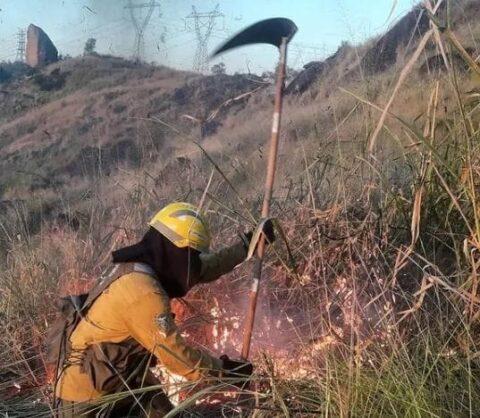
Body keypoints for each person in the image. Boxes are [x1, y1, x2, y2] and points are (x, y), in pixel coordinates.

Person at [52, 202, 274, 417]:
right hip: (88, 398)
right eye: (192, 254)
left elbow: (204, 268)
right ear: (175, 250)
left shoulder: (146, 264)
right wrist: (226, 371)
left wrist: (247, 246)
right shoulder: (143, 292)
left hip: (123, 377)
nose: (194, 262)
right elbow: (179, 359)